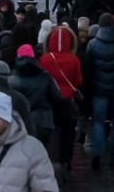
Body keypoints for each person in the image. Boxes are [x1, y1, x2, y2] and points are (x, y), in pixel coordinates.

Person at [83, 12, 114, 169]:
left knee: (98, 122)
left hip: (99, 90)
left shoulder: (93, 44)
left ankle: (97, 154)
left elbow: (87, 70)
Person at [39, 25, 83, 179]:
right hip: (68, 101)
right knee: (68, 134)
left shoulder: (44, 59)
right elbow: (78, 80)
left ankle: (53, 161)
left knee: (53, 133)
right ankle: (66, 161)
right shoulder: (74, 59)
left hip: (51, 101)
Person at [8, 45, 62, 147]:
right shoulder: (45, 76)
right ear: (34, 58)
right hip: (43, 121)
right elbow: (57, 97)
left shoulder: (11, 80)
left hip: (18, 122)